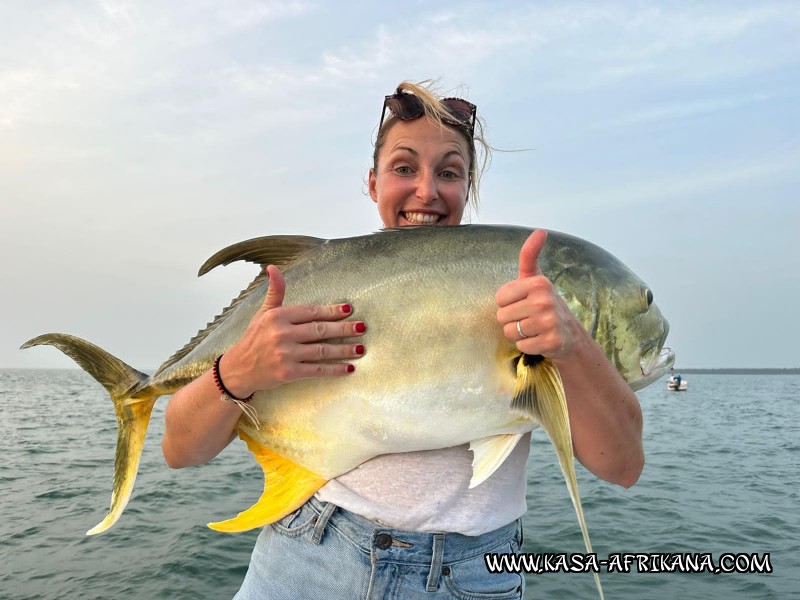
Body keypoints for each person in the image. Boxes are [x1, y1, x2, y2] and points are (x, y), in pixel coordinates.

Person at [161, 81, 644, 599]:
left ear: (468, 188)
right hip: (308, 559)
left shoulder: (520, 286)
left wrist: (569, 345)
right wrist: (235, 372)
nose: (426, 191)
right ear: (373, 183)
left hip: (472, 577)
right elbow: (181, 450)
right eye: (404, 168)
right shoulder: (306, 291)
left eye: (450, 172)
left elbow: (622, 465)